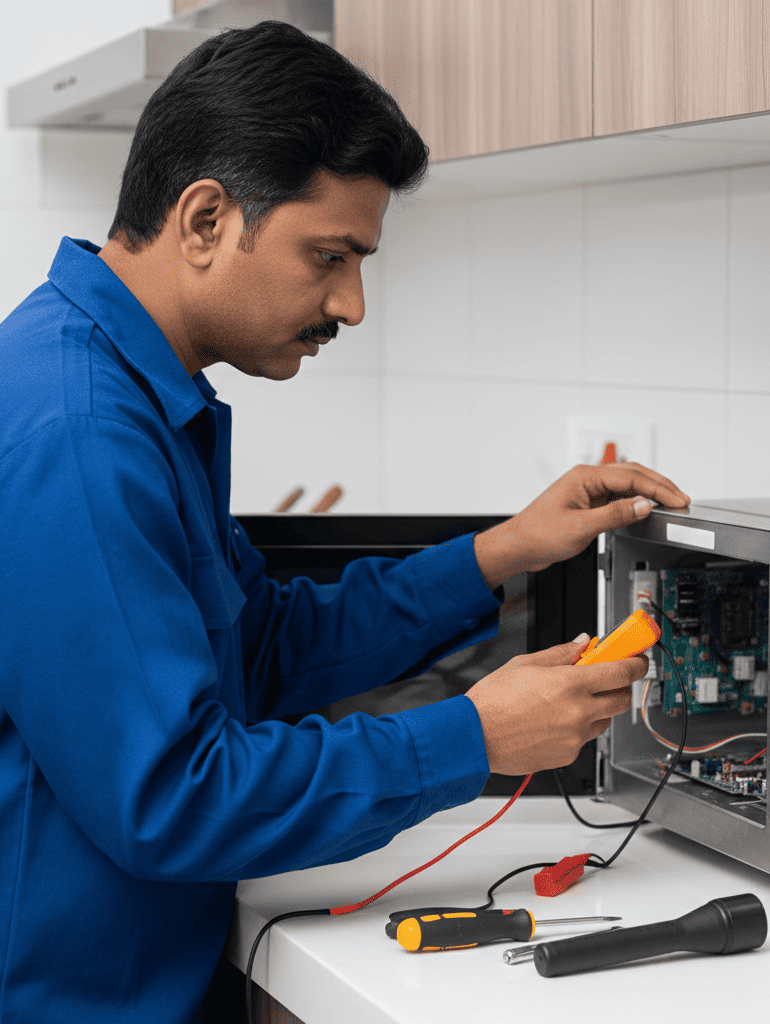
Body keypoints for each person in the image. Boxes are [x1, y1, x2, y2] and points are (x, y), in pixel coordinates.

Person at [0, 21, 689, 1023]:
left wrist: (501, 551)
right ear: (203, 220)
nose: (353, 304)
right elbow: (171, 797)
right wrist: (473, 736)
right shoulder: (81, 431)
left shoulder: (128, 391)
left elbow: (262, 643)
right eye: (330, 255)